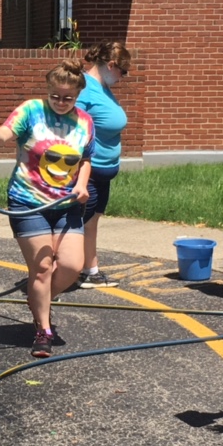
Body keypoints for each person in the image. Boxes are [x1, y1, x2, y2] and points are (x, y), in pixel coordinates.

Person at [0, 60, 93, 358]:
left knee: (72, 266)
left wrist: (82, 185)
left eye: (68, 98)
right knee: (41, 268)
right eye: (56, 96)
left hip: (67, 205)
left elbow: (85, 159)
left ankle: (38, 298)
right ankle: (43, 330)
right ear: (48, 90)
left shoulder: (84, 122)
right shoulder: (31, 110)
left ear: (78, 95)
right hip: (28, 202)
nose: (61, 102)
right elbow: (3, 137)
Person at [76, 41, 132, 288]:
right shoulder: (84, 89)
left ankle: (90, 270)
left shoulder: (103, 88)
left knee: (91, 222)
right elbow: (72, 126)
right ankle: (61, 272)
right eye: (123, 71)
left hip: (103, 171)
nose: (123, 77)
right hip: (87, 170)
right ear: (111, 65)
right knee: (78, 222)